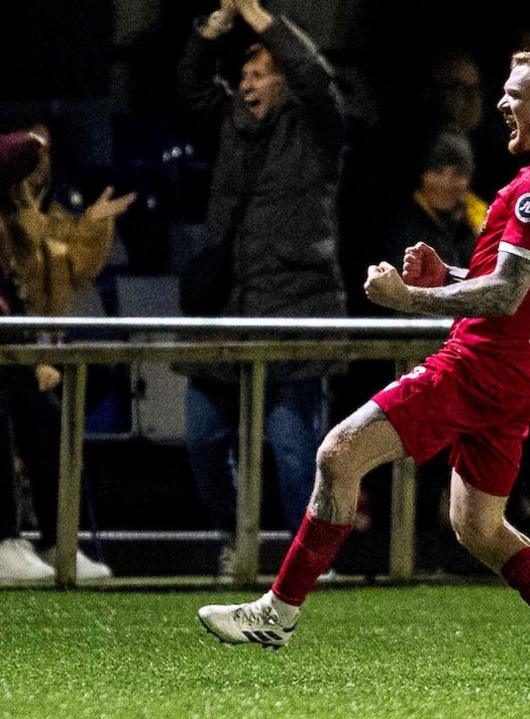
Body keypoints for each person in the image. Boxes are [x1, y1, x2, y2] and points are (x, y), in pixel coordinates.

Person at [198, 48, 530, 680]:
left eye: (516, 93)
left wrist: (412, 298)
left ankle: (277, 613)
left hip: (480, 363)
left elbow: (505, 296)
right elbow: (526, 290)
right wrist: (452, 275)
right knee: (477, 524)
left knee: (337, 454)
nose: (503, 103)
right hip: (529, 370)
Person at [175, 0, 347, 571]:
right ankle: (234, 537)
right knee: (202, 439)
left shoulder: (317, 125)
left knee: (297, 453)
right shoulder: (228, 124)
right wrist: (216, 25)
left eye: (259, 73)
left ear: (283, 80)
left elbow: (315, 75)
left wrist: (255, 12)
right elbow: (190, 85)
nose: (247, 83)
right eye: (243, 74)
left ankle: (308, 562)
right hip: (226, 309)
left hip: (296, 309)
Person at [0, 128, 132, 581]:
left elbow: (70, 265)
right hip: (16, 344)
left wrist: (93, 224)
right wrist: (32, 141)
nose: (41, 160)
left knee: (47, 431)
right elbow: (18, 149)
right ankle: (6, 540)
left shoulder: (30, 214)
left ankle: (60, 543)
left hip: (26, 343)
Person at [386, 132, 487, 272]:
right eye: (437, 171)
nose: (446, 183)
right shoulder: (401, 224)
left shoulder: (482, 221)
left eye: (458, 174)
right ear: (421, 174)